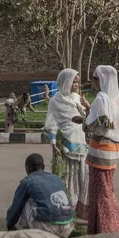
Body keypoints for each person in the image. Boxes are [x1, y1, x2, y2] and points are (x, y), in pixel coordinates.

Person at [79, 65, 119, 235]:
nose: (93, 83)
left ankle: (106, 226)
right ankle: (108, 224)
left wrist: (84, 123)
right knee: (107, 187)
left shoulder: (102, 97)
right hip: (114, 149)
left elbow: (97, 123)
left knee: (99, 190)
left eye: (94, 79)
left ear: (101, 80)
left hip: (99, 150)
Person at [44, 69, 89, 220]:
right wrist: (53, 143)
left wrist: (86, 108)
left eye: (77, 82)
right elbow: (52, 123)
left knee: (82, 177)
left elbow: (84, 118)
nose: (77, 85)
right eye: (74, 82)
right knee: (68, 178)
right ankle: (66, 211)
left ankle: (81, 210)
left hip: (82, 142)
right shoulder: (56, 101)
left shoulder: (77, 98)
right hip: (65, 146)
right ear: (66, 83)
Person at [6, 153, 74, 238]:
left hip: (45, 229)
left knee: (24, 200)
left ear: (27, 168)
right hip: (67, 228)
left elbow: (15, 208)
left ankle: (28, 233)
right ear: (44, 166)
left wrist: (10, 225)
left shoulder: (27, 181)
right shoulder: (57, 179)